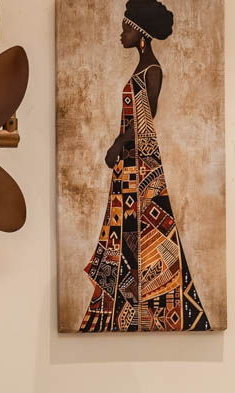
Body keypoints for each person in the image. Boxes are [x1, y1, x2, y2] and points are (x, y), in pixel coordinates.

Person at [77, 0, 212, 332]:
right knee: (124, 229)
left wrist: (117, 144)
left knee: (146, 231)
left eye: (125, 29)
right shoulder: (141, 69)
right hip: (130, 162)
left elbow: (146, 117)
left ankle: (153, 307)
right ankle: (120, 307)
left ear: (140, 34)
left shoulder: (152, 70)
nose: (121, 35)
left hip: (142, 161)